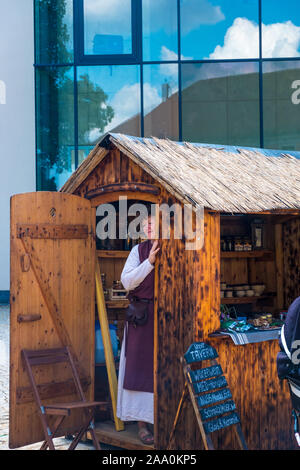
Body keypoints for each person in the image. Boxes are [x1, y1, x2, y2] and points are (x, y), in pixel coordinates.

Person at [116, 214, 159, 445]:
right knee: (138, 368)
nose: (148, 227)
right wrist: (149, 263)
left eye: (153, 224)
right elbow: (127, 281)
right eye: (146, 225)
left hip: (165, 318)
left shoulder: (173, 248)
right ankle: (142, 425)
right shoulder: (138, 251)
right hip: (142, 318)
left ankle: (162, 420)